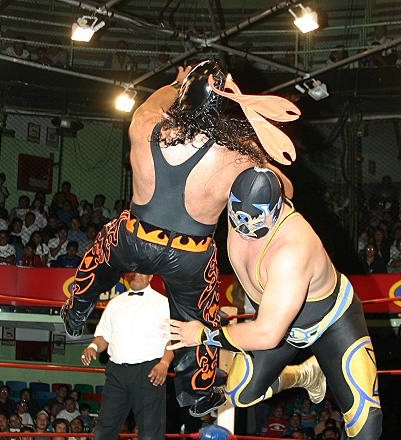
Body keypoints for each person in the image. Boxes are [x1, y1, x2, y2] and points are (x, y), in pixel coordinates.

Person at [61, 58, 299, 419]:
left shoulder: (145, 124)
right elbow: (285, 190)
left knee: (105, 249)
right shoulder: (235, 155)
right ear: (221, 106)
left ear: (182, 96)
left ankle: (77, 311)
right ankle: (197, 393)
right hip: (191, 255)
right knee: (200, 318)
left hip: (136, 238)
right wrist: (255, 153)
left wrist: (176, 82)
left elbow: (155, 102)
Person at [168, 167, 382, 440]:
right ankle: (305, 374)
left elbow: (267, 335)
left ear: (277, 207)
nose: (243, 227)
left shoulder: (292, 248)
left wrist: (203, 334)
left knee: (365, 413)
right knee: (240, 393)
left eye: (254, 221)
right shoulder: (232, 204)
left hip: (330, 320)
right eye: (237, 217)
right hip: (277, 317)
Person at [73, 272, 173, 440]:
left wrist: (165, 363)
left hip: (149, 370)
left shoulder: (163, 303)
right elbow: (103, 337)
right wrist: (92, 347)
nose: (137, 275)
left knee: (150, 428)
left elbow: (173, 339)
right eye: (134, 271)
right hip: (117, 371)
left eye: (142, 272)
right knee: (105, 425)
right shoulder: (115, 303)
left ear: (150, 276)